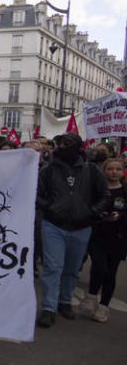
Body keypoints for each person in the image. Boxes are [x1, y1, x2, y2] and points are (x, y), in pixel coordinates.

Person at [36, 132, 109, 328]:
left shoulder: (91, 170)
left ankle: (65, 301)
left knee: (72, 269)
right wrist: (50, 208)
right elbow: (37, 192)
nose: (61, 146)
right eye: (60, 142)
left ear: (78, 147)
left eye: (67, 143)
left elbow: (105, 194)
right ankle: (49, 307)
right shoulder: (48, 169)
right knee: (53, 267)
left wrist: (91, 212)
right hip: (53, 225)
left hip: (81, 227)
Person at [80, 158, 127, 323]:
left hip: (118, 238)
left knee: (110, 272)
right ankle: (91, 295)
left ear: (122, 172)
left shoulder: (124, 191)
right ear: (104, 171)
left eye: (118, 169)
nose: (114, 172)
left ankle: (103, 306)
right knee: (99, 267)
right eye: (110, 169)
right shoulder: (97, 189)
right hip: (97, 235)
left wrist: (120, 215)